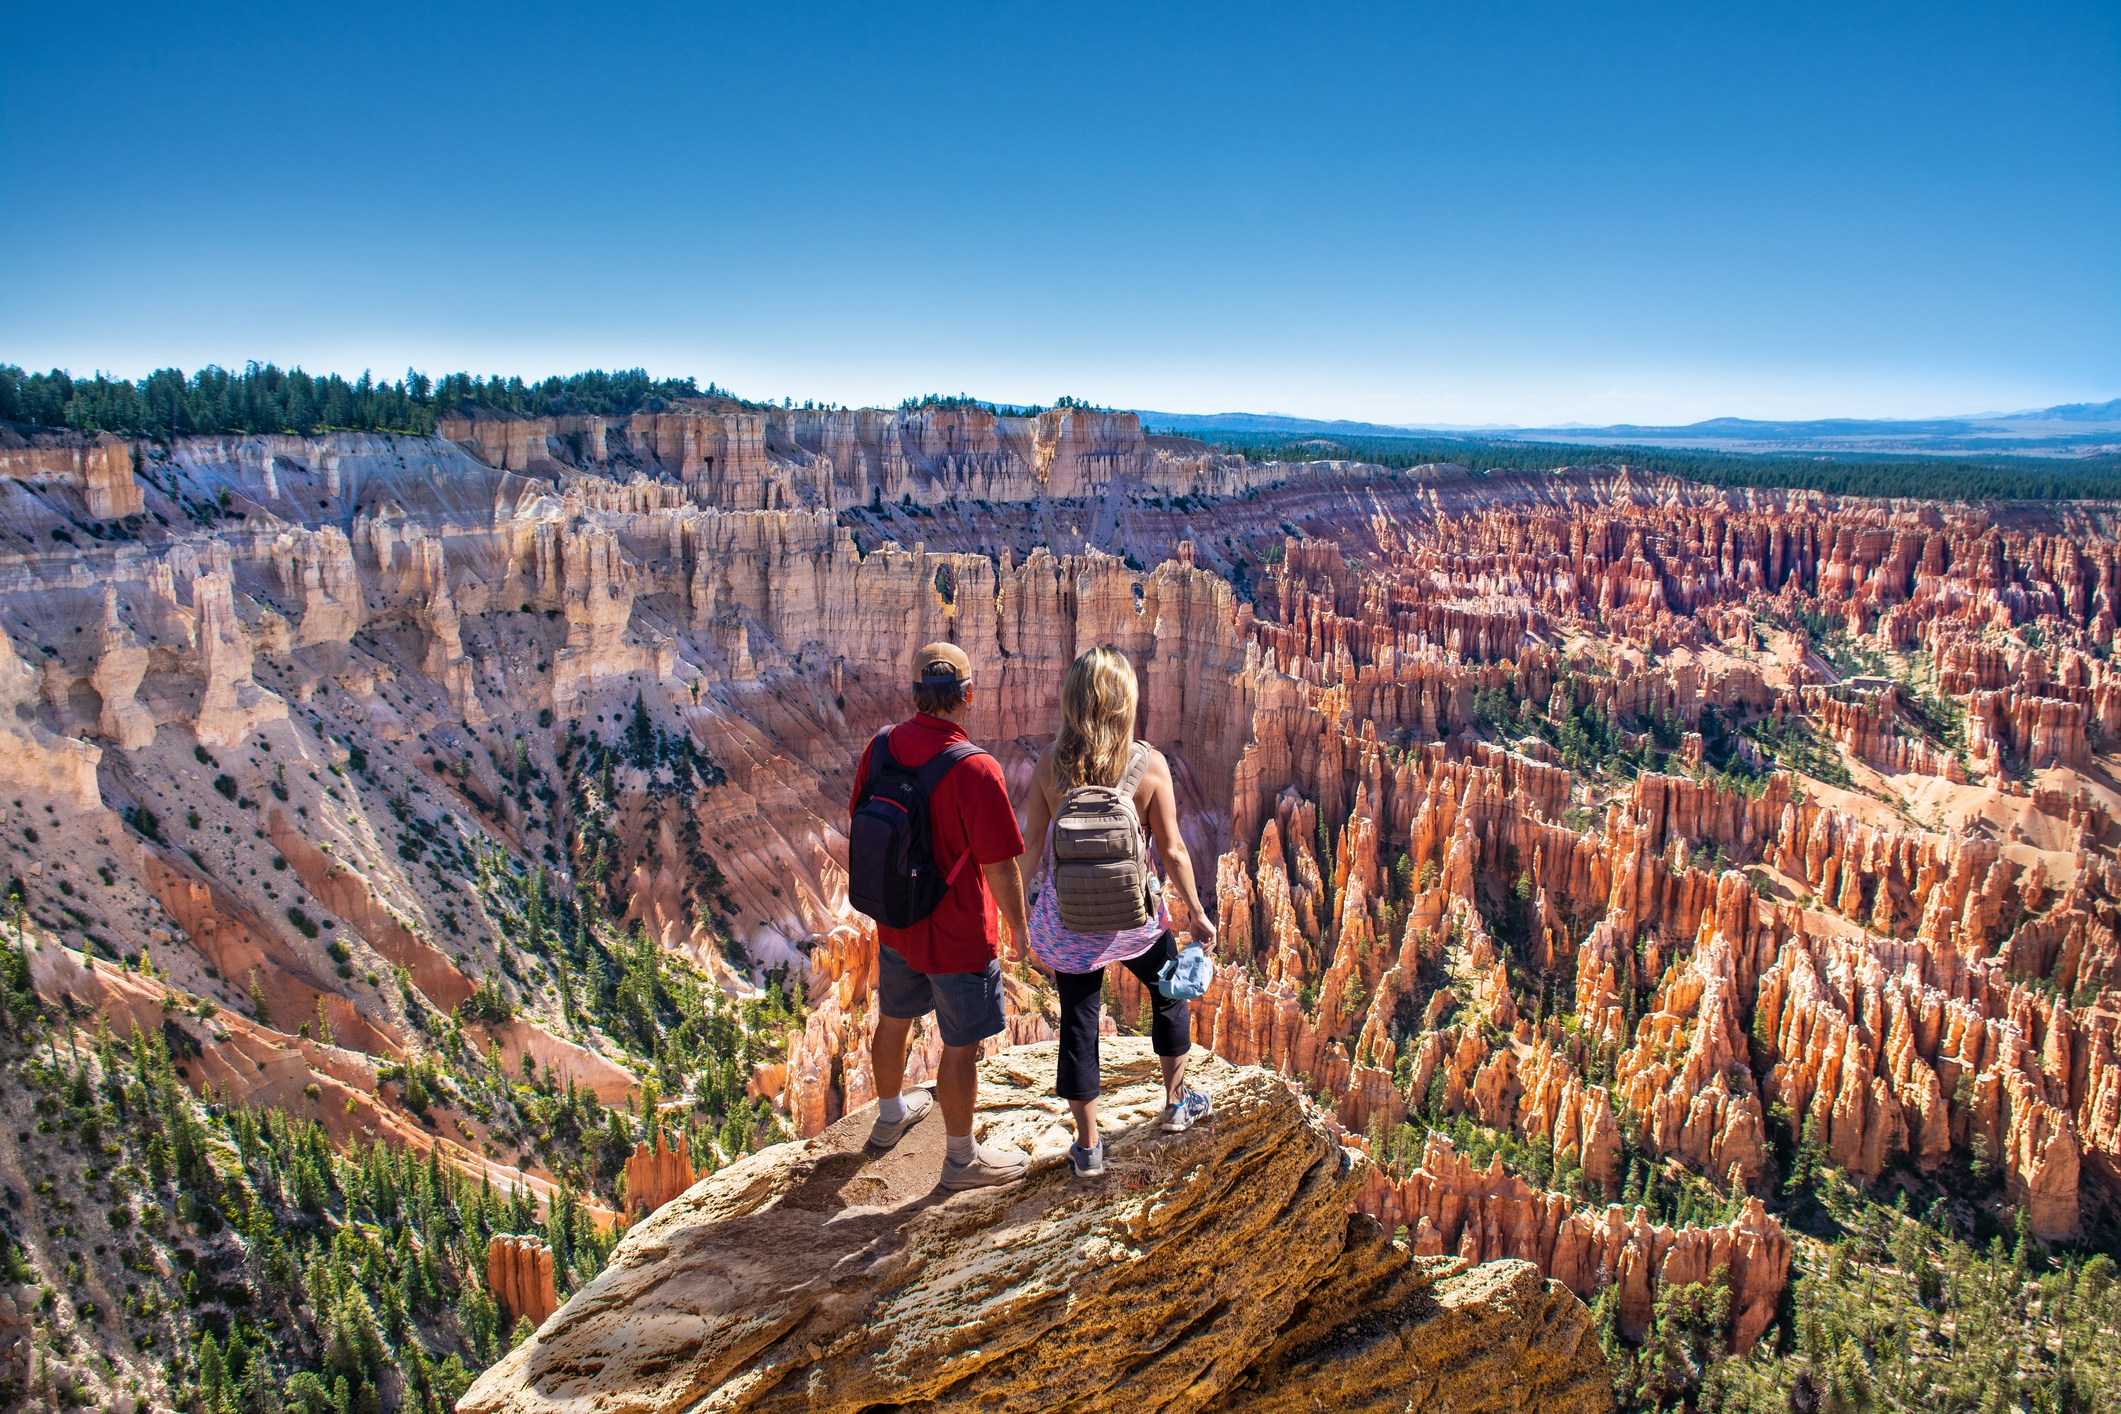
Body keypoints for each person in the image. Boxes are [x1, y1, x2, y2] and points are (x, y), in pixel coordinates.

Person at [1018, 646, 1217, 1179]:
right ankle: (1176, 1104)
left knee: (1079, 1025)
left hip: (1069, 927)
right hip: (1137, 922)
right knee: (1168, 993)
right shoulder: (1149, 764)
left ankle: (1088, 1147)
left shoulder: (1048, 765)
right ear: (1125, 702)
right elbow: (1172, 850)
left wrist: (1016, 920)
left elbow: (1032, 845)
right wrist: (1197, 912)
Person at [850, 641, 1032, 1190]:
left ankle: (888, 1119)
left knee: (893, 1021)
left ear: (914, 695)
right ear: (968, 696)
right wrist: (1020, 929)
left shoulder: (879, 748)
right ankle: (960, 1161)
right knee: (960, 1047)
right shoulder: (978, 769)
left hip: (896, 925)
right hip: (955, 937)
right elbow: (1001, 866)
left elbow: (863, 826)